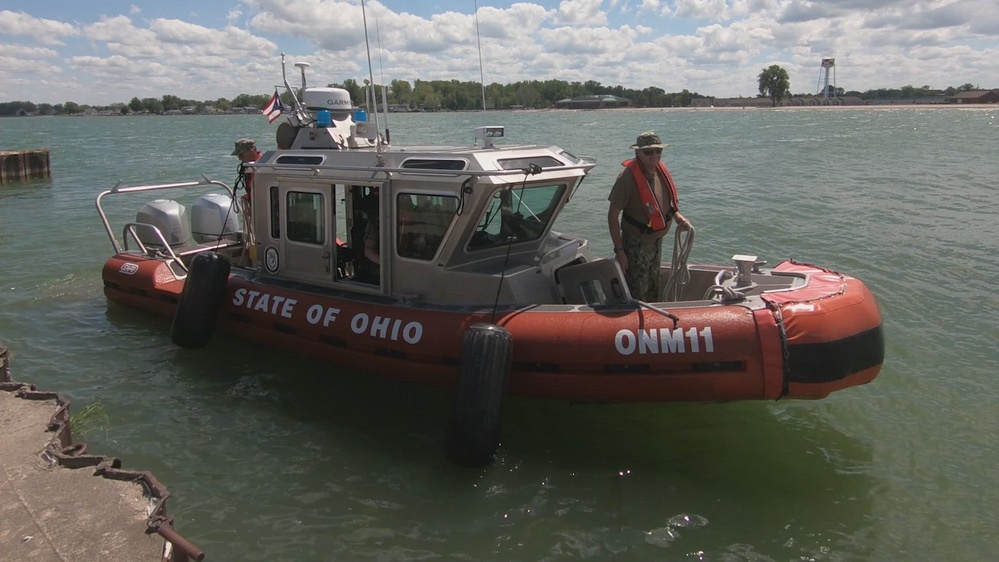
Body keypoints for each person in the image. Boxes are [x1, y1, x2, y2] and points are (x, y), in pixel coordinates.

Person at [607, 131, 690, 302]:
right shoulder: (626, 178)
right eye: (648, 152)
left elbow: (665, 204)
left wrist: (678, 218)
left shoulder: (660, 171)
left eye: (658, 151)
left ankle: (652, 323)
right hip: (637, 244)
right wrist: (620, 251)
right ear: (637, 153)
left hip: (657, 243)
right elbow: (612, 215)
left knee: (653, 287)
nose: (654, 155)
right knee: (638, 291)